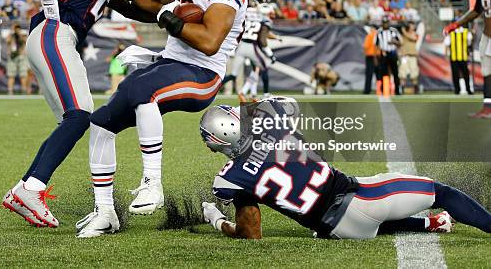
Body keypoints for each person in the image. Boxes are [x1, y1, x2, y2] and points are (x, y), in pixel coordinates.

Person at [1, 0, 172, 228]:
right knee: (80, 115)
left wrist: (168, 10)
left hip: (53, 35)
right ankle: (30, 189)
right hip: (55, 30)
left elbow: (137, 8)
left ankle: (27, 188)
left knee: (73, 119)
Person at [75, 0, 248, 238]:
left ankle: (152, 184)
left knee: (142, 88)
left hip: (203, 72)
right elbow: (153, 3)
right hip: (170, 63)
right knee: (101, 121)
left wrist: (164, 15)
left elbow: (210, 42)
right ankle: (105, 211)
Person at [199, 97, 491, 239]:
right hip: (357, 198)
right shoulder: (271, 119)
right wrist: (252, 108)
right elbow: (287, 104)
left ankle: (430, 223)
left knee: (373, 219)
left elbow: (251, 232)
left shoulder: (228, 181)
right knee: (441, 193)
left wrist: (215, 219)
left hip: (334, 230)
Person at [443, 0, 491, 117]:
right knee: (486, 72)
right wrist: (456, 24)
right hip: (487, 35)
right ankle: (487, 107)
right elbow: (477, 10)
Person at [222, 0, 275, 97]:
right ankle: (266, 94)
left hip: (240, 46)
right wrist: (270, 55)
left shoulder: (244, 11)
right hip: (252, 47)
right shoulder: (263, 14)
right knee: (264, 68)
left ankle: (214, 89)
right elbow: (263, 39)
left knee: (233, 74)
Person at [375, 16, 401, 94]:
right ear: (382, 23)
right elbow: (376, 45)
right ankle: (384, 90)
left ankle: (397, 90)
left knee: (395, 72)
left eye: (387, 23)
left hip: (392, 53)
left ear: (389, 23)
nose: (385, 24)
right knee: (383, 72)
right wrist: (377, 56)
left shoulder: (394, 31)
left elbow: (400, 42)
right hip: (384, 54)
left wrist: (394, 42)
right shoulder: (379, 32)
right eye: (384, 23)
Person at [444, 25, 473, 95]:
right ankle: (458, 89)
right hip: (454, 56)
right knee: (456, 74)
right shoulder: (451, 33)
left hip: (463, 56)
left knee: (465, 73)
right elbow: (447, 43)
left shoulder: (466, 32)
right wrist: (446, 54)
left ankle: (467, 89)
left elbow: (469, 42)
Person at [6, 23, 28, 95]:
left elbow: (24, 41)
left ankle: (24, 90)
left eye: (18, 28)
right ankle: (10, 91)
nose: (16, 30)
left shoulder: (22, 35)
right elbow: (7, 40)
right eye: (15, 28)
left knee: (23, 74)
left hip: (21, 56)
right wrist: (12, 32)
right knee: (11, 74)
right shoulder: (11, 36)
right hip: (12, 56)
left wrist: (19, 34)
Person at [399, 22, 420, 93]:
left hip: (412, 56)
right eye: (411, 25)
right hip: (405, 56)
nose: (412, 27)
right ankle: (401, 88)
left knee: (414, 73)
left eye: (413, 25)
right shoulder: (403, 35)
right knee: (402, 72)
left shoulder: (415, 34)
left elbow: (413, 38)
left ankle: (416, 88)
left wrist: (403, 31)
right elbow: (400, 43)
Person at [362, 26, 380, 94]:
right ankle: (380, 89)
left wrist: (367, 52)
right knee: (379, 75)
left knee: (369, 75)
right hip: (378, 57)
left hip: (370, 56)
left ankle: (367, 90)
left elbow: (365, 46)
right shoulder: (379, 35)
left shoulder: (370, 35)